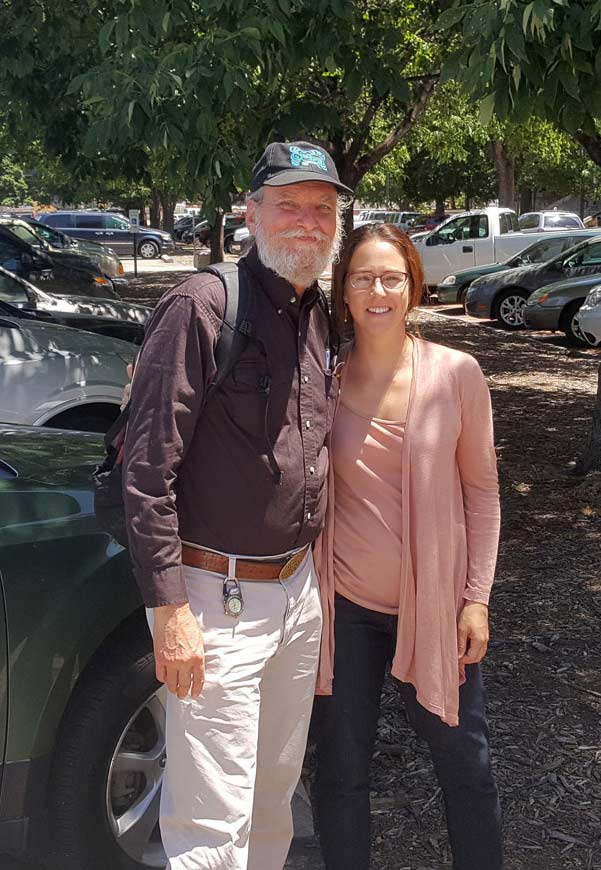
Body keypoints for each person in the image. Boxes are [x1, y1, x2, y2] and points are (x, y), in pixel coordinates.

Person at [122, 141, 352, 870]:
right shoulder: (204, 305)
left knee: (272, 796)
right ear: (251, 212)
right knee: (209, 822)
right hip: (214, 598)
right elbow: (146, 470)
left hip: (295, 590)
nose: (308, 222)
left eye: (323, 208)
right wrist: (170, 612)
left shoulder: (314, 311)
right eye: (290, 204)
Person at [312, 222, 503, 870]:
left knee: (465, 768)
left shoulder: (456, 374)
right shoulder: (325, 380)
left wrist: (475, 599)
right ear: (343, 292)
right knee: (339, 774)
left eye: (391, 277)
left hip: (437, 609)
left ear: (412, 287)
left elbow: (482, 492)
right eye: (362, 277)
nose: (377, 290)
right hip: (347, 609)